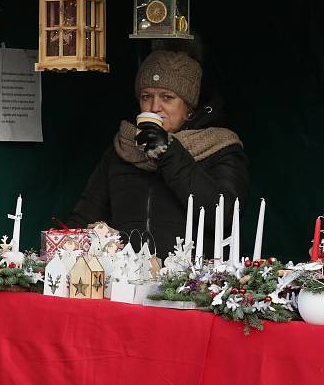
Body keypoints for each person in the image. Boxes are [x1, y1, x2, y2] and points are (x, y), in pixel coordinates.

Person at [67, 50, 249, 258]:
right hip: (128, 280)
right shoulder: (122, 149)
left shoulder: (220, 146)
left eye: (167, 97)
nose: (154, 107)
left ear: (189, 106)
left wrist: (168, 152)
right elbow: (86, 216)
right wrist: (62, 248)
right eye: (146, 97)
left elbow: (224, 215)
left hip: (192, 283)